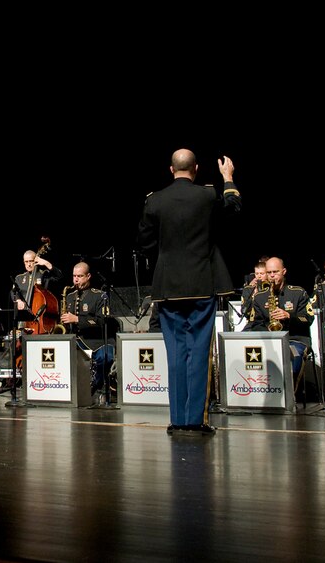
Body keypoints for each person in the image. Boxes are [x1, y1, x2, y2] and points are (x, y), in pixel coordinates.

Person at [136, 149, 241, 436]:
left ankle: (177, 419)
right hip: (201, 283)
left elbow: (144, 242)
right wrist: (228, 178)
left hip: (168, 286)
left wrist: (167, 256)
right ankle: (194, 420)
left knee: (175, 352)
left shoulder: (154, 200)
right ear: (195, 168)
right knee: (197, 351)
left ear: (171, 169)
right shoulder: (207, 195)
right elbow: (232, 208)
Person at [244, 257, 314, 382]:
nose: (272, 276)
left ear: (284, 271)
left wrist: (289, 316)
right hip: (268, 341)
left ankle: (290, 395)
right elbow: (255, 324)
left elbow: (308, 319)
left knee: (294, 356)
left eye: (275, 272)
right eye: (269, 272)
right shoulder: (260, 297)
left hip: (295, 339)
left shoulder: (298, 292)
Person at [59, 261, 115, 394]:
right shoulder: (70, 296)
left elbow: (102, 321)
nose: (76, 279)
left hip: (98, 340)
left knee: (105, 357)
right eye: (74, 276)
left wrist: (77, 319)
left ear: (88, 276)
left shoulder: (100, 295)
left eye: (80, 276)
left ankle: (95, 385)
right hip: (78, 340)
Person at [11, 248, 62, 322]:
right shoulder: (19, 278)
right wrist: (18, 300)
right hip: (24, 318)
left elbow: (59, 277)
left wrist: (47, 263)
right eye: (26, 261)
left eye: (31, 261)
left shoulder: (44, 275)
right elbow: (13, 292)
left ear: (36, 261)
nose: (28, 264)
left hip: (40, 316)